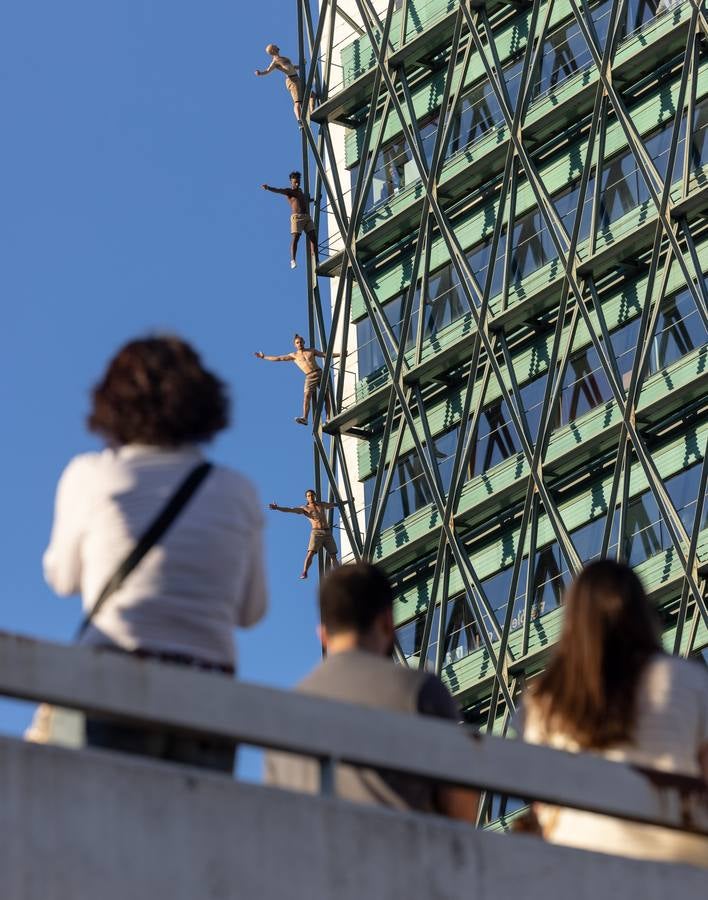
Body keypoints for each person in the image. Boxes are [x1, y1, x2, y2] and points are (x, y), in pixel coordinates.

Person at [43, 336, 268, 772]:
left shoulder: (90, 476)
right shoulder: (238, 491)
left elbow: (62, 578)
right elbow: (252, 611)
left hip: (114, 678)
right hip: (208, 689)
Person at [519, 559, 708, 868]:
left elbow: (542, 796)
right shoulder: (687, 679)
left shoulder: (543, 700)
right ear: (642, 616)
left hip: (579, 852)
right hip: (679, 853)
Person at [265, 563, 479, 822]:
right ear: (387, 623)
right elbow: (460, 810)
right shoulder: (419, 691)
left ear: (323, 635)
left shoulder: (284, 714)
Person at [254, 333, 340, 425]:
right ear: (295, 345)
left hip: (319, 373)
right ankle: (305, 418)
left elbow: (325, 355)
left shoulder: (311, 351)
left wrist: (340, 354)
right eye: (297, 343)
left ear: (304, 342)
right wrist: (264, 357)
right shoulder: (294, 355)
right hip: (309, 376)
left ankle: (327, 418)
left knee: (326, 395)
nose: (299, 344)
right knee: (306, 396)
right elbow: (279, 358)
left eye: (301, 342)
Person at [269, 489, 339, 579]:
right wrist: (277, 508)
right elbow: (290, 509)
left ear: (315, 496)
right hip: (316, 532)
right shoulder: (305, 508)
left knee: (333, 555)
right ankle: (304, 571)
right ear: (306, 498)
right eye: (309, 496)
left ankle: (339, 573)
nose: (311, 497)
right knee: (311, 553)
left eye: (312, 495)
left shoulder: (322, 504)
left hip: (327, 532)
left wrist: (347, 501)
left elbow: (334, 504)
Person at [262, 172, 318, 269]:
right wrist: (268, 188)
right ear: (291, 182)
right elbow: (279, 190)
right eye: (295, 182)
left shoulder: (301, 192)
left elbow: (305, 200)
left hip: (306, 217)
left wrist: (315, 199)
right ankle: (293, 260)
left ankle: (316, 260)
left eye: (298, 182)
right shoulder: (289, 192)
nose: (297, 184)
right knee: (296, 237)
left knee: (313, 238)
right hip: (297, 218)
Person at [254, 43, 316, 124]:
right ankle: (299, 120)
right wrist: (260, 73)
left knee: (312, 95)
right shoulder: (275, 61)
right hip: (292, 80)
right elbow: (268, 70)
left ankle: (312, 112)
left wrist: (302, 65)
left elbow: (292, 67)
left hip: (297, 79)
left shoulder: (283, 58)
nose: (277, 46)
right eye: (274, 46)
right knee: (297, 102)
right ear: (272, 50)